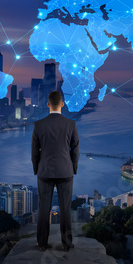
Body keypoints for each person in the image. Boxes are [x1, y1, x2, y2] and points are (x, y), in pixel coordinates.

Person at [31, 90, 79, 252]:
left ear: (48, 105)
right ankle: (67, 244)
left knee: (43, 209)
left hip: (45, 172)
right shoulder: (71, 124)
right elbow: (75, 149)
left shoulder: (39, 125)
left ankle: (42, 243)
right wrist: (73, 168)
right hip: (66, 172)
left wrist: (37, 168)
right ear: (63, 104)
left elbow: (34, 152)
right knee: (66, 209)